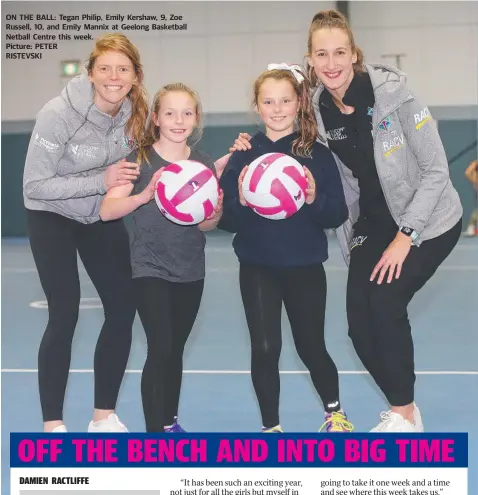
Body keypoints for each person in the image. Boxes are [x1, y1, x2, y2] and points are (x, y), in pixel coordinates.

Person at [228, 10, 463, 433]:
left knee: (387, 304)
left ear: (354, 55)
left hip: (427, 220)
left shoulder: (399, 98)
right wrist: (241, 150)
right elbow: (286, 139)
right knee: (357, 327)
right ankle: (403, 405)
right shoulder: (317, 110)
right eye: (322, 54)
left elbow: (436, 172)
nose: (332, 62)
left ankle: (404, 416)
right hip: (373, 222)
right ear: (311, 61)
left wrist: (406, 236)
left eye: (340, 52)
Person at [23, 33, 149, 433]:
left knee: (122, 308)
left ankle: (103, 416)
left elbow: (165, 147)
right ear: (90, 73)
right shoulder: (57, 114)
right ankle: (53, 424)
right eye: (106, 68)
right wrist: (101, 179)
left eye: (123, 69)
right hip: (51, 217)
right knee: (65, 314)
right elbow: (34, 186)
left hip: (99, 217)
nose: (114, 77)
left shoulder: (135, 113)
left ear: (135, 76)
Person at [218, 64, 354, 433]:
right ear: (257, 106)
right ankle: (271, 427)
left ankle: (334, 413)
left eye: (285, 100)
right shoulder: (243, 154)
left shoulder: (317, 154)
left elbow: (337, 213)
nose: (277, 109)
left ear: (298, 103)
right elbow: (225, 219)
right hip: (258, 267)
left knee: (311, 346)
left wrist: (312, 197)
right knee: (264, 348)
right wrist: (242, 202)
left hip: (305, 267)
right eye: (268, 102)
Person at [99, 83, 223, 433]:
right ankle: (155, 437)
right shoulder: (139, 160)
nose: (178, 120)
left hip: (190, 269)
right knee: (161, 346)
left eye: (186, 112)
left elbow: (206, 225)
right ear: (156, 118)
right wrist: (144, 195)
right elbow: (108, 210)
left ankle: (169, 424)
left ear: (196, 118)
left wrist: (215, 210)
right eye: (169, 112)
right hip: (148, 267)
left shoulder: (203, 164)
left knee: (175, 350)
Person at [464, 159, 478, 236]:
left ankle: (471, 227)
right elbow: (467, 173)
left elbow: (468, 173)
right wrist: (475, 181)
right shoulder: (476, 163)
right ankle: (471, 227)